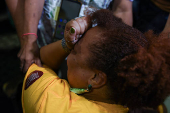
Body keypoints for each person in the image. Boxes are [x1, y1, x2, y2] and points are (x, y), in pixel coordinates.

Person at [22, 9, 170, 113]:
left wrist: (66, 43)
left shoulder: (52, 104)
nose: (69, 55)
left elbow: (39, 61)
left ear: (96, 78)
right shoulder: (152, 106)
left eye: (74, 50)